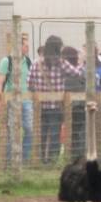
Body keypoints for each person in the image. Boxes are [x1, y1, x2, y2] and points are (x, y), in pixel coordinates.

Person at [27, 35, 68, 163]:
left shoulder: (36, 63)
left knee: (41, 134)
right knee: (55, 134)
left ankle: (40, 159)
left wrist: (39, 92)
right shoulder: (62, 63)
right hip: (57, 106)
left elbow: (29, 84)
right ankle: (52, 160)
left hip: (40, 106)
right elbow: (77, 73)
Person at [0, 33, 34, 163]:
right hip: (11, 100)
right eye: (25, 45)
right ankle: (10, 159)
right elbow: (0, 82)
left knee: (30, 129)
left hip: (27, 101)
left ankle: (24, 158)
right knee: (12, 129)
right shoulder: (6, 61)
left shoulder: (29, 61)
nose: (27, 48)